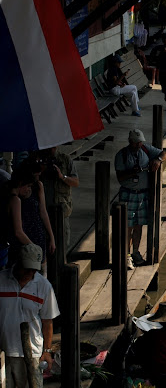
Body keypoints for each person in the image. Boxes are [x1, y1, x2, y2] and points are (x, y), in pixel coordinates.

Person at [0, 244, 59, 388]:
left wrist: (47, 351)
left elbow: (47, 321)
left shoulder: (44, 286)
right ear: (18, 262)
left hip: (33, 352)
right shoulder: (1, 280)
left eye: (33, 269)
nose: (30, 273)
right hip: (4, 350)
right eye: (26, 268)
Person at [115, 129, 166, 270]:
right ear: (130, 142)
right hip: (129, 193)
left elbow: (165, 153)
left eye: (140, 142)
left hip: (143, 194)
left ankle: (136, 252)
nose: (138, 145)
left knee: (139, 225)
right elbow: (120, 176)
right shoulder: (122, 155)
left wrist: (157, 160)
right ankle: (126, 255)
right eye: (136, 143)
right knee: (128, 226)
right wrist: (132, 171)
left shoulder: (145, 149)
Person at [7, 165, 55, 277]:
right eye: (28, 186)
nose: (29, 189)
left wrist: (51, 237)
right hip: (25, 244)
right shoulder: (16, 200)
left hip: (35, 238)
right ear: (20, 184)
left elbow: (43, 212)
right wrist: (34, 248)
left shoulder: (14, 198)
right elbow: (18, 231)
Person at [35, 147, 79, 249]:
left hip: (61, 208)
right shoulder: (38, 158)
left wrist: (62, 176)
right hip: (42, 208)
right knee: (43, 243)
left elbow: (76, 182)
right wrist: (40, 170)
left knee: (62, 243)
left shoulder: (65, 159)